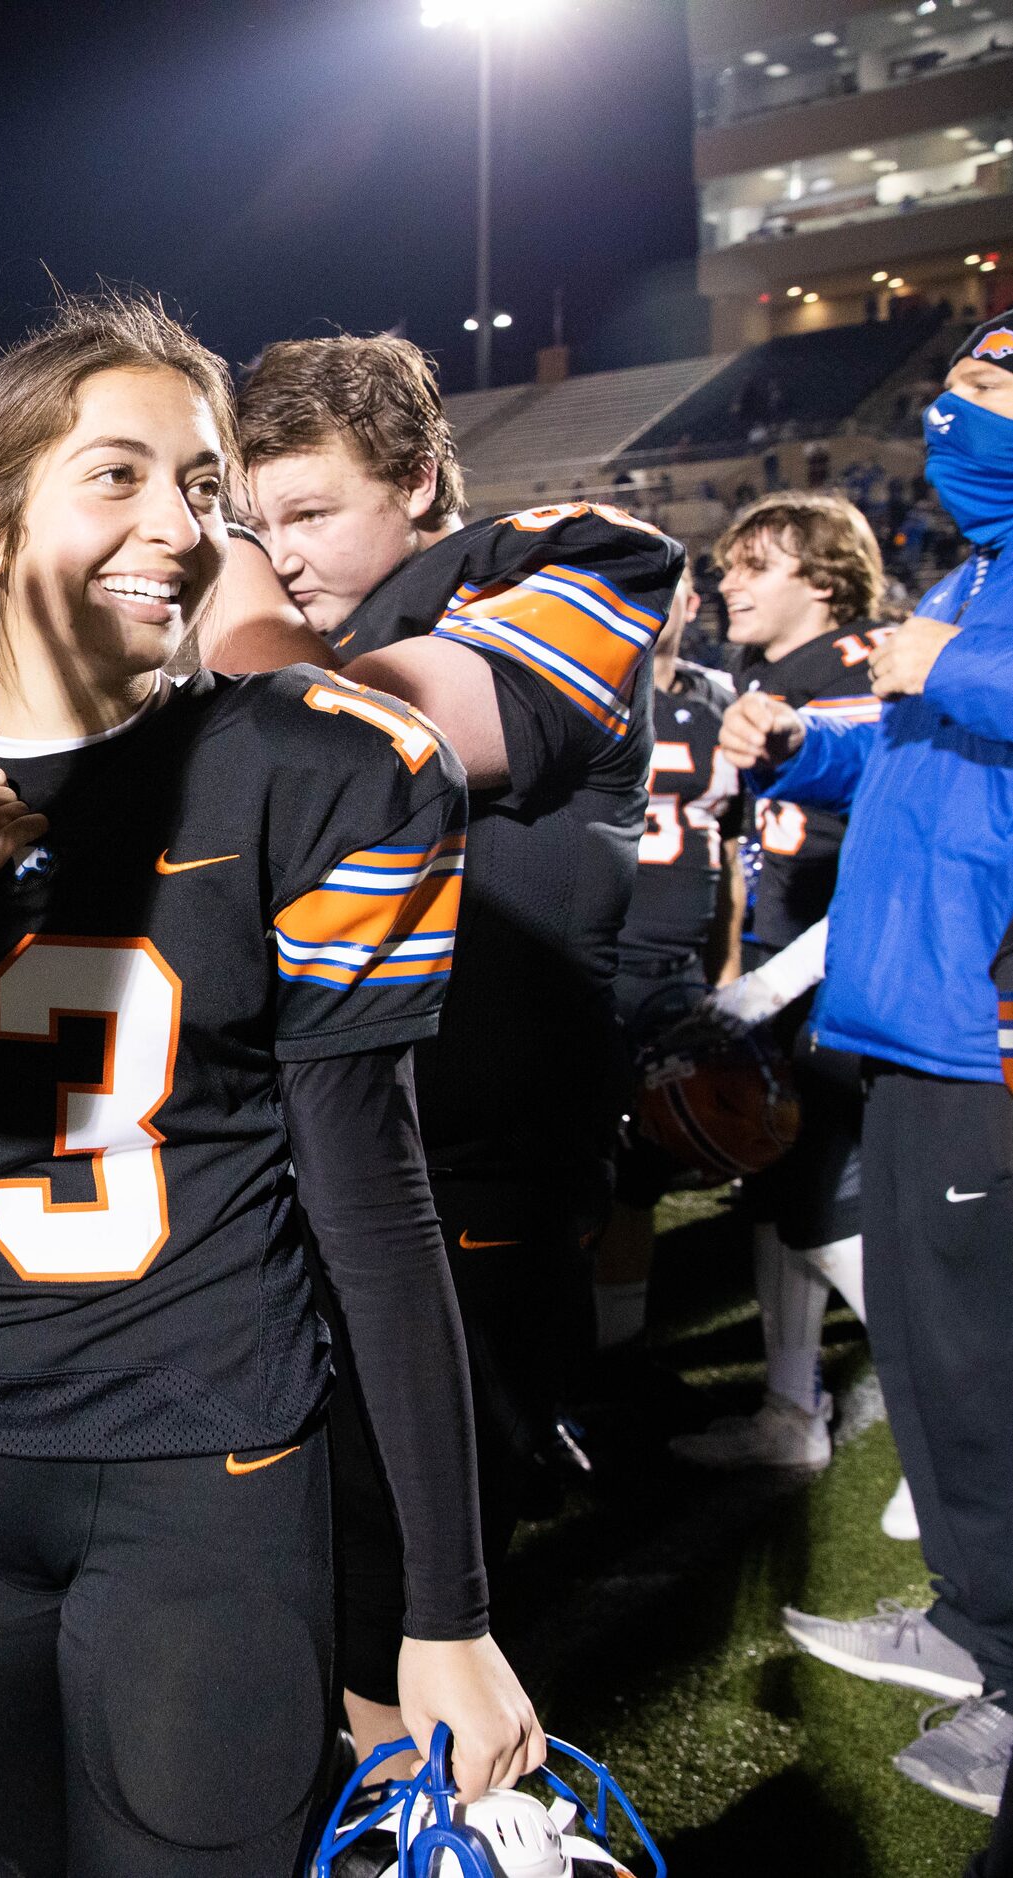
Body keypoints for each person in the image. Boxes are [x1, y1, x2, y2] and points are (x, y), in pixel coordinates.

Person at [0, 289, 534, 1874]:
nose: (182, 523)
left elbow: (372, 1199)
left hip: (205, 1467)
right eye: (117, 474)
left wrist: (447, 1608)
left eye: (204, 482)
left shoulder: (322, 760)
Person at [239, 335, 682, 1770]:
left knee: (402, 1618)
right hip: (300, 1172)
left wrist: (220, 621)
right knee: (282, 1591)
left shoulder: (572, 559)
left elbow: (368, 735)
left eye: (308, 514)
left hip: (462, 1185)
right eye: (254, 526)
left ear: (421, 479)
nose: (281, 558)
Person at [728, 311, 1013, 1824]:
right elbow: (906, 748)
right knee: (929, 1346)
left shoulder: (975, 609)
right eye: (950, 387)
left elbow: (964, 699)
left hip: (987, 1034)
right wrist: (800, 753)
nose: (953, 417)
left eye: (989, 388)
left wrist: (949, 667)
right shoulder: (975, 577)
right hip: (905, 1016)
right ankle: (973, 1615)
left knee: (991, 1359)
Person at [669, 493, 892, 1484]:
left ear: (828, 578)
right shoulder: (765, 678)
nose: (728, 583)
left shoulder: (860, 671)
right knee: (778, 1196)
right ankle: (790, 1409)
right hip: (787, 978)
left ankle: (967, 1430)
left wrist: (764, 992)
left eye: (757, 565)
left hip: (850, 982)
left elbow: (888, 866)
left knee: (822, 1205)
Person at [596, 572, 739, 1365]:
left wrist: (721, 966)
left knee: (648, 1165)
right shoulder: (577, 694)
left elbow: (730, 849)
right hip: (596, 971)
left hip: (679, 972)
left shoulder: (720, 700)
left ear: (690, 604)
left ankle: (618, 1340)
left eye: (668, 591)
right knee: (582, 1164)